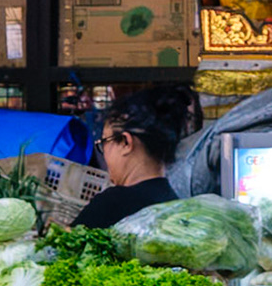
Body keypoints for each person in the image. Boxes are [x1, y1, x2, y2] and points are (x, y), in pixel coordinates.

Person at [72, 86, 197, 228]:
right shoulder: (175, 203)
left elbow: (60, 248)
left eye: (105, 141)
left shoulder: (112, 204)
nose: (104, 153)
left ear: (126, 143)